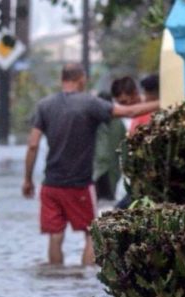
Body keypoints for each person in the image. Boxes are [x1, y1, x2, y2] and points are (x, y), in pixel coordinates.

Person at [23, 63, 160, 265]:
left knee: (56, 235)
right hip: (79, 185)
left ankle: (53, 281)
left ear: (63, 79)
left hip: (50, 184)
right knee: (91, 234)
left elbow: (33, 145)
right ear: (82, 79)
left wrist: (27, 180)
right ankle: (86, 278)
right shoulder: (90, 103)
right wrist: (163, 101)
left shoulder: (44, 105)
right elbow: (130, 112)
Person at [93, 91, 126, 202]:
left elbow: (125, 147)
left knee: (110, 203)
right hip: (95, 170)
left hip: (112, 171)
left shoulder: (118, 123)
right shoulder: (92, 121)